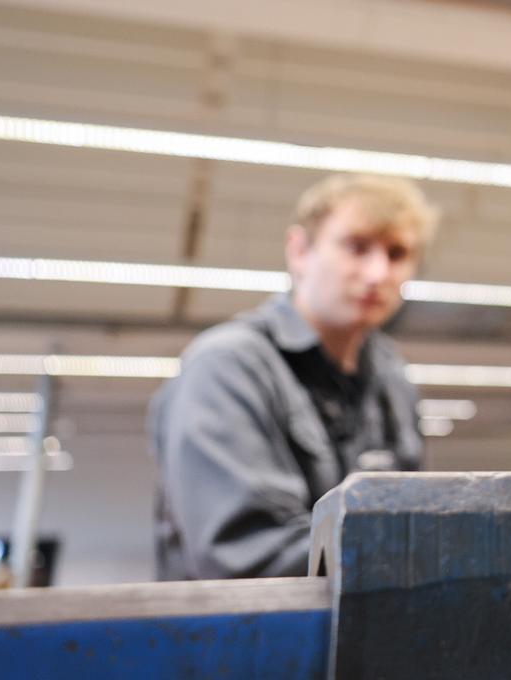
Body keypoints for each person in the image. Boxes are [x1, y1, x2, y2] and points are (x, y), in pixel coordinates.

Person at [149, 173, 434, 580]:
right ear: (299, 251)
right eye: (357, 247)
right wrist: (421, 552)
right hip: (248, 639)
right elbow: (247, 560)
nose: (377, 273)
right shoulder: (227, 367)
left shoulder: (393, 380)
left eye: (396, 253)